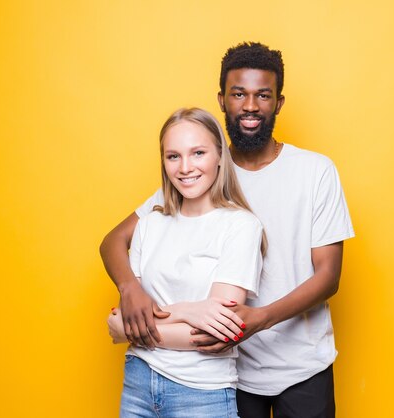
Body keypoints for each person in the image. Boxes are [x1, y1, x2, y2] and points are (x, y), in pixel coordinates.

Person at [100, 42, 354, 418]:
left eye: (262, 95)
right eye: (238, 94)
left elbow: (329, 275)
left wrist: (261, 318)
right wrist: (130, 288)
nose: (250, 105)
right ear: (222, 100)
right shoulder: (201, 171)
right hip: (230, 372)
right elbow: (114, 241)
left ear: (278, 103)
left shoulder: (315, 171)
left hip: (302, 365)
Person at [106, 107, 265, 418]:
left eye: (198, 153)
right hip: (138, 383)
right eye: (173, 156)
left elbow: (217, 334)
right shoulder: (150, 223)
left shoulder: (241, 226)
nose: (185, 167)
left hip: (201, 394)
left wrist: (130, 331)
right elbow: (128, 313)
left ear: (220, 156)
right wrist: (189, 310)